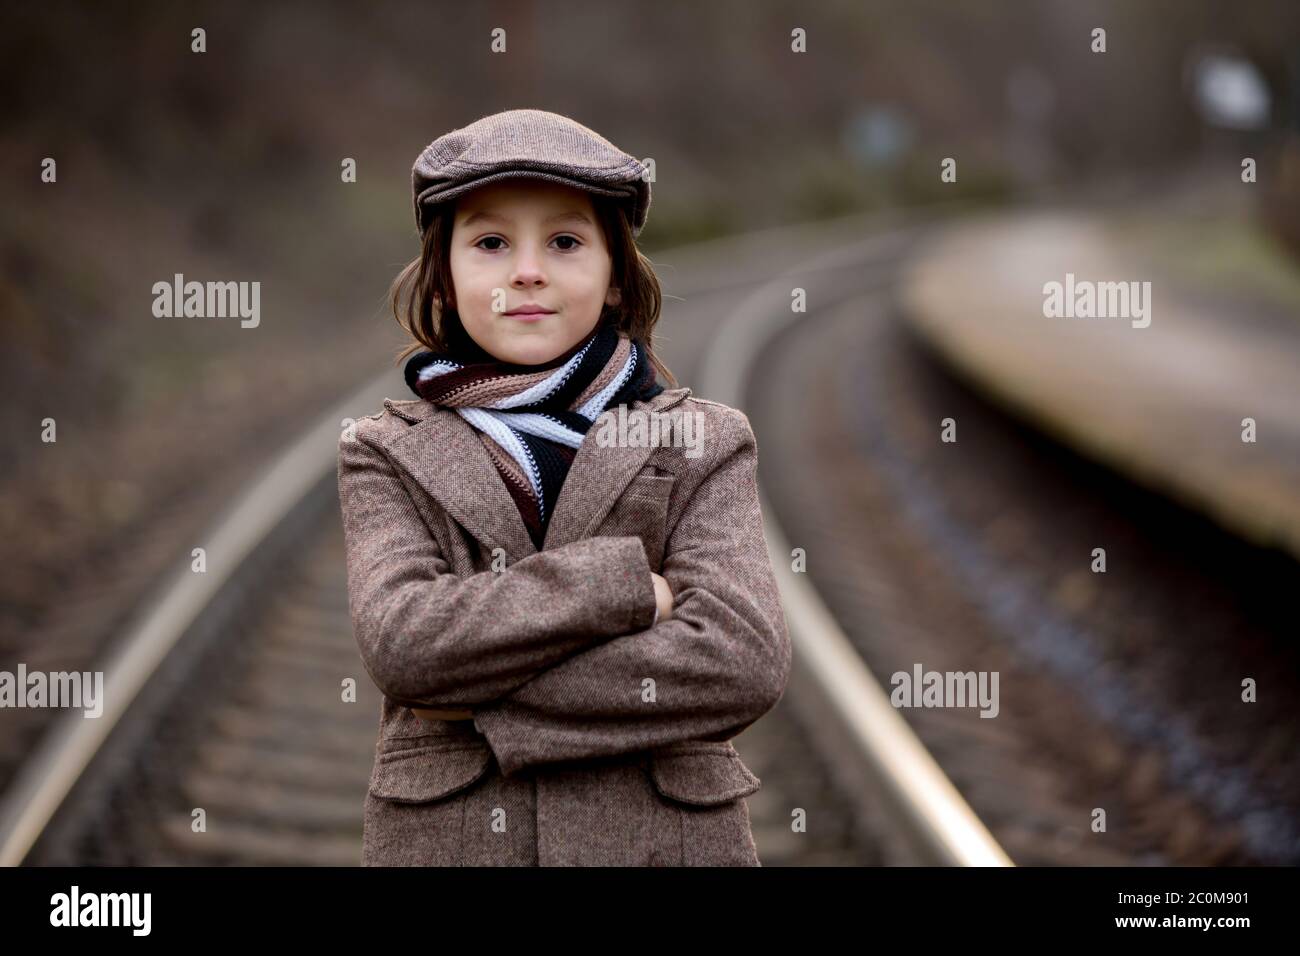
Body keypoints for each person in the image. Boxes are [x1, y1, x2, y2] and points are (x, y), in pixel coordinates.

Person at [336, 108, 791, 866]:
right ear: (443, 279)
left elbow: (740, 660)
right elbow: (407, 647)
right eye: (489, 243)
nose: (527, 271)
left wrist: (477, 700)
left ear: (615, 277)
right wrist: (626, 589)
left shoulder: (705, 441)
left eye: (566, 242)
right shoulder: (384, 454)